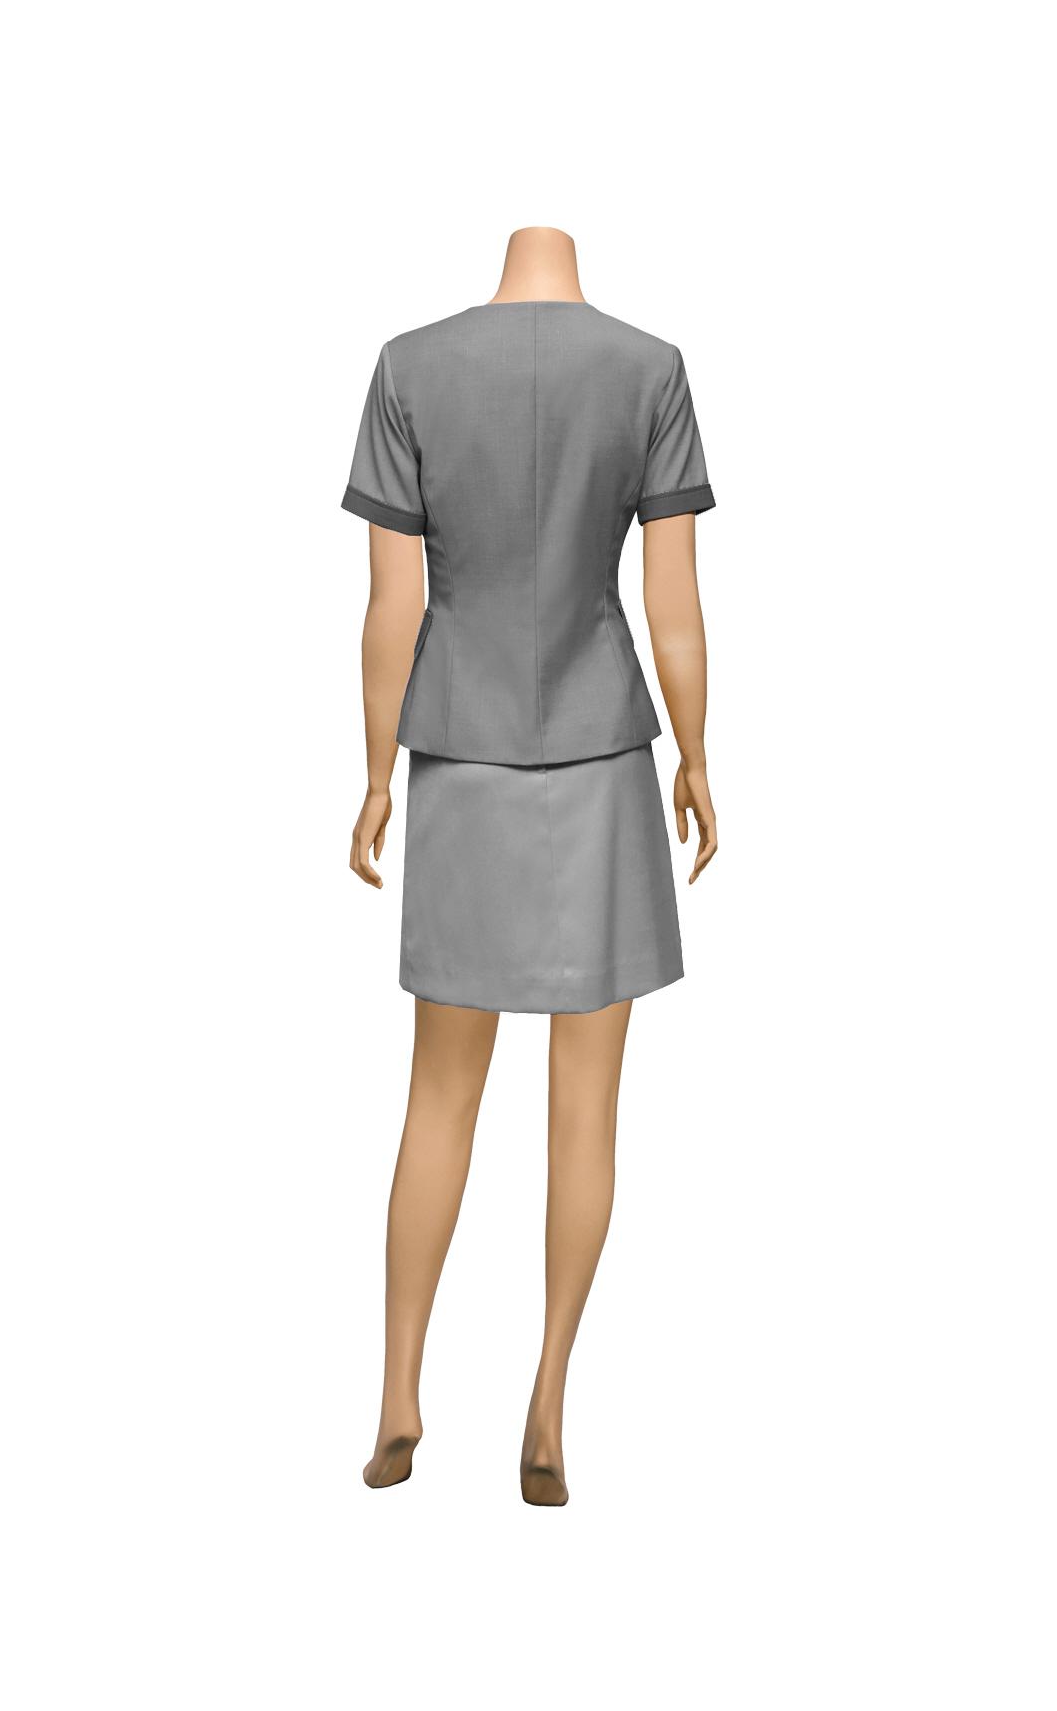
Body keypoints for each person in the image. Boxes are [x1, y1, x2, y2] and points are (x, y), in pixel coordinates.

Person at [343, 228, 717, 1505]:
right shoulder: (649, 368)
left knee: (439, 1094)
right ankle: (548, 1402)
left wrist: (377, 772)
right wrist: (698, 753)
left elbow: (393, 608)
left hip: (462, 759)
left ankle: (399, 1391)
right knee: (585, 1106)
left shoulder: (411, 366)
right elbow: (674, 602)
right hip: (602, 761)